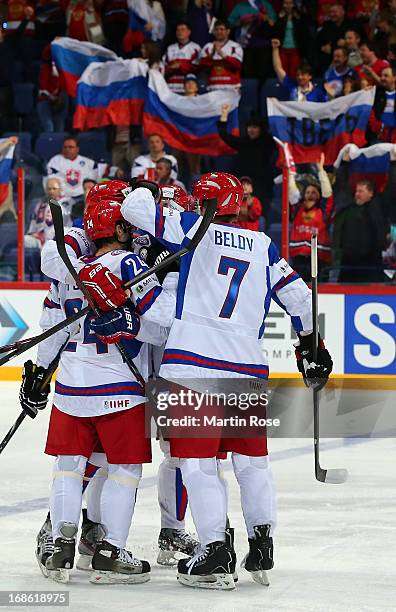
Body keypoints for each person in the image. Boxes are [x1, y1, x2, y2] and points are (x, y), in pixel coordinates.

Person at [120, 173, 333, 590]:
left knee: (198, 466)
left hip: (193, 368)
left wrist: (142, 188)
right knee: (252, 464)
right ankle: (261, 540)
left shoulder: (191, 228)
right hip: (246, 369)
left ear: (201, 203)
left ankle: (215, 551)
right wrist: (311, 346)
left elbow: (133, 210)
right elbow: (302, 299)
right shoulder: (263, 245)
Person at [32, 180, 176, 583]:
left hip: (71, 386)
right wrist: (157, 285)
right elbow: (163, 320)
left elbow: (54, 328)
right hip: (119, 387)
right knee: (125, 469)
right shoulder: (129, 264)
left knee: (68, 467)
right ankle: (110, 550)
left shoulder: (73, 272)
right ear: (118, 228)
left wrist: (42, 373)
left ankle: (59, 546)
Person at [333, 147, 395, 282]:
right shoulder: (349, 206)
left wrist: (394, 162)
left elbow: (392, 187)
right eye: (356, 191)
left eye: (361, 191)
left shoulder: (379, 206)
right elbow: (341, 185)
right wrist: (344, 163)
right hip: (348, 261)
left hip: (372, 262)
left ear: (371, 193)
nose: (357, 193)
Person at [217, 104, 274, 210]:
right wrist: (224, 115)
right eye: (249, 126)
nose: (251, 130)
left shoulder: (268, 143)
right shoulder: (243, 142)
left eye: (255, 127)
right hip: (242, 184)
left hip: (262, 187)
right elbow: (224, 135)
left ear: (261, 129)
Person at [288, 154, 334, 281]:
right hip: (299, 259)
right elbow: (292, 191)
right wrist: (290, 171)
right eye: (307, 192)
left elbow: (328, 194)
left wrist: (321, 171)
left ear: (319, 196)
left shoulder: (323, 211)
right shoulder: (297, 209)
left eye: (314, 192)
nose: (310, 195)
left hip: (320, 259)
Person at [228, 0, 275, 79]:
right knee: (248, 76)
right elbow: (230, 23)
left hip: (263, 46)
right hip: (245, 46)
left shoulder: (266, 5)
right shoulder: (239, 7)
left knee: (263, 76)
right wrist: (242, 21)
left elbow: (273, 22)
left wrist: (264, 17)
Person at [25, 177, 73, 250]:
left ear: (60, 189)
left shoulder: (68, 203)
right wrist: (32, 233)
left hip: (60, 240)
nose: (51, 191)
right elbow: (33, 223)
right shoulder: (41, 204)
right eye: (49, 189)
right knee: (23, 240)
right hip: (39, 239)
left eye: (54, 189)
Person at [47, 136, 98, 200]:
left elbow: (101, 172)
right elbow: (52, 182)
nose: (67, 149)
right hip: (62, 198)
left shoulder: (88, 162)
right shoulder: (55, 161)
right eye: (65, 147)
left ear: (77, 149)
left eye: (70, 147)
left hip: (83, 198)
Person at [199, 20, 243, 90]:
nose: (219, 32)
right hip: (213, 87)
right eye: (216, 29)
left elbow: (237, 65)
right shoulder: (208, 47)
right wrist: (211, 55)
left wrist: (222, 54)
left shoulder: (235, 46)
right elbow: (201, 65)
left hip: (231, 88)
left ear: (228, 31)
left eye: (222, 29)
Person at [272, 0, 311, 79]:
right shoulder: (279, 17)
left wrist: (297, 19)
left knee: (294, 72)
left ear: (293, 4)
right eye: (286, 3)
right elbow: (275, 32)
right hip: (283, 48)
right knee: (282, 72)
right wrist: (280, 19)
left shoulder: (299, 16)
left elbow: (304, 33)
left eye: (290, 3)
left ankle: (294, 90)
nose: (288, 5)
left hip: (295, 49)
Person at [37, 44, 69, 133]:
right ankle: (49, 140)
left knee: (59, 124)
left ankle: (59, 139)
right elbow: (43, 86)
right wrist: (54, 44)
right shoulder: (46, 67)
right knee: (49, 127)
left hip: (60, 98)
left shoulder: (65, 67)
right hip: (46, 98)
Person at [316, 2, 356, 72]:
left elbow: (359, 42)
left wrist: (347, 43)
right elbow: (317, 41)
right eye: (330, 12)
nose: (332, 14)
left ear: (342, 12)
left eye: (334, 12)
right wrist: (322, 47)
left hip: (349, 56)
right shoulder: (327, 25)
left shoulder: (352, 24)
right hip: (329, 58)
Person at [163, 21, 201, 93]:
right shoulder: (170, 48)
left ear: (189, 32)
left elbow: (197, 67)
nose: (179, 32)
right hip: (171, 87)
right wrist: (170, 68)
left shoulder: (195, 47)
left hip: (188, 89)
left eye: (182, 29)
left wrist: (180, 65)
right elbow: (164, 66)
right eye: (178, 30)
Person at [368, 65, 396, 143]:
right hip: (378, 137)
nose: (382, 78)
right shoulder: (375, 94)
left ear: (394, 78)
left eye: (386, 76)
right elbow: (370, 113)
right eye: (381, 75)